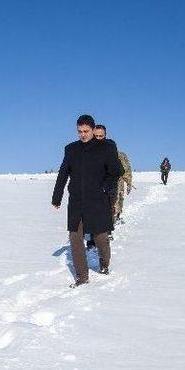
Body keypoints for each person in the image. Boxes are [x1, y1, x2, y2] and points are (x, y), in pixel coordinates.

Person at [52, 115, 125, 287]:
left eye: (86, 131)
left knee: (100, 237)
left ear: (93, 130)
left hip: (98, 200)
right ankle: (82, 276)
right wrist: (57, 197)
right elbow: (63, 174)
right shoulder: (71, 149)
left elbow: (116, 171)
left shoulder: (106, 148)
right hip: (77, 201)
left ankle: (104, 264)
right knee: (75, 237)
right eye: (79, 131)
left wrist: (106, 187)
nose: (83, 135)